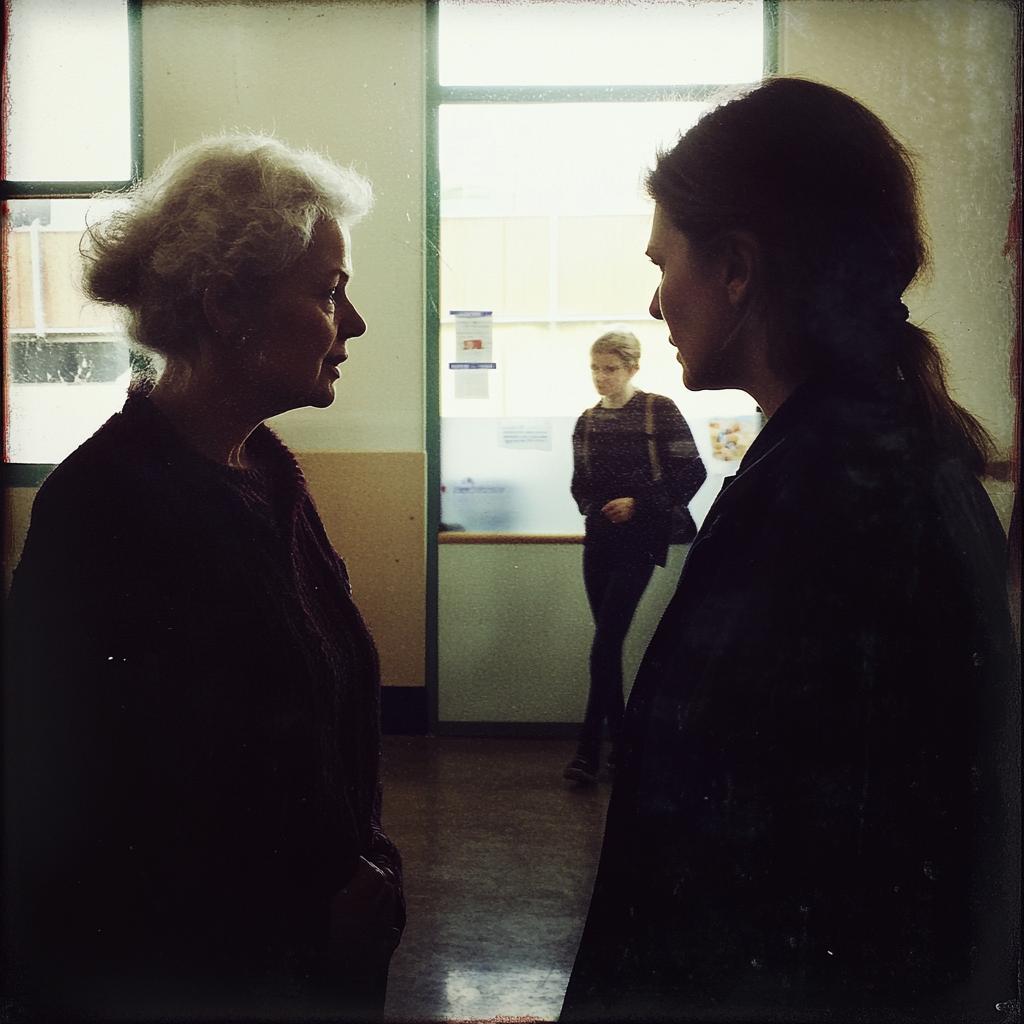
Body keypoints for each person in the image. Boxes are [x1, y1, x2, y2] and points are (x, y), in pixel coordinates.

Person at [560, 78, 1018, 1021]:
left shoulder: (834, 499)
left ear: (736, 267)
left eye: (665, 261)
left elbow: (753, 881)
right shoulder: (872, 454)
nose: (654, 301)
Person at [4, 135, 404, 1021]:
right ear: (228, 307)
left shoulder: (266, 476)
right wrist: (302, 924)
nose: (357, 321)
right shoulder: (106, 506)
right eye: (331, 291)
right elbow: (91, 823)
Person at [564, 329, 706, 784]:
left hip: (641, 540)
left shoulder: (657, 410)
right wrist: (593, 506)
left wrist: (639, 504)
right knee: (607, 646)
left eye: (610, 369)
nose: (601, 377)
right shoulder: (586, 421)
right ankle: (625, 747)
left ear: (632, 369)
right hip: (599, 540)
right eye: (595, 368)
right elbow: (578, 483)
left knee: (605, 642)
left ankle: (587, 750)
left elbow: (692, 471)